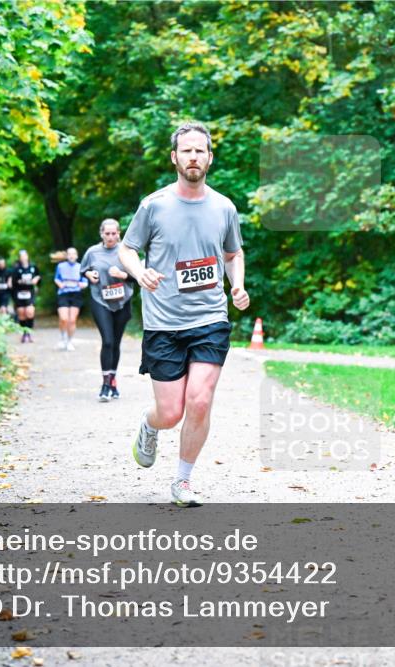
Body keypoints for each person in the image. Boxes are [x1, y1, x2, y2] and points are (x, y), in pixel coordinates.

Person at [118, 121, 249, 507]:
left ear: (210, 158)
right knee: (171, 412)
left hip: (210, 318)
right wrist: (139, 271)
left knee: (201, 400)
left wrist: (237, 284)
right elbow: (127, 249)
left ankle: (183, 480)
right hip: (163, 323)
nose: (194, 157)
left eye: (200, 151)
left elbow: (232, 253)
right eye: (186, 150)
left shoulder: (224, 207)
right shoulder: (153, 205)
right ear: (175, 157)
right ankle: (149, 423)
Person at [81, 219, 136, 402]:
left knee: (116, 343)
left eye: (114, 233)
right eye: (107, 233)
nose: (111, 237)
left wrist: (123, 275)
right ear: (101, 234)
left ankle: (113, 380)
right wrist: (90, 274)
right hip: (101, 300)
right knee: (108, 341)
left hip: (123, 300)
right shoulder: (92, 252)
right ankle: (105, 384)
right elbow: (83, 271)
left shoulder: (126, 252)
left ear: (119, 233)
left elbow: (138, 276)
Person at [54, 247, 87, 351]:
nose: (72, 256)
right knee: (64, 319)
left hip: (76, 294)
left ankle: (69, 341)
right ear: (67, 256)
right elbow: (56, 278)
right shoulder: (60, 266)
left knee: (72, 320)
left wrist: (82, 285)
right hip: (63, 294)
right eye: (69, 254)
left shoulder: (81, 267)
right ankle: (63, 338)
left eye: (74, 254)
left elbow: (85, 282)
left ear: (77, 256)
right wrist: (60, 284)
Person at [9, 250, 40, 343]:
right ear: (19, 258)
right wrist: (19, 282)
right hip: (19, 293)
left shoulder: (33, 267)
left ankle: (29, 333)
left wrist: (36, 279)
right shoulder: (16, 269)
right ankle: (24, 333)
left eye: (25, 255)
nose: (23, 257)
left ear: (27, 256)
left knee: (30, 312)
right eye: (21, 256)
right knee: (22, 314)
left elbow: (38, 277)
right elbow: (13, 283)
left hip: (30, 293)